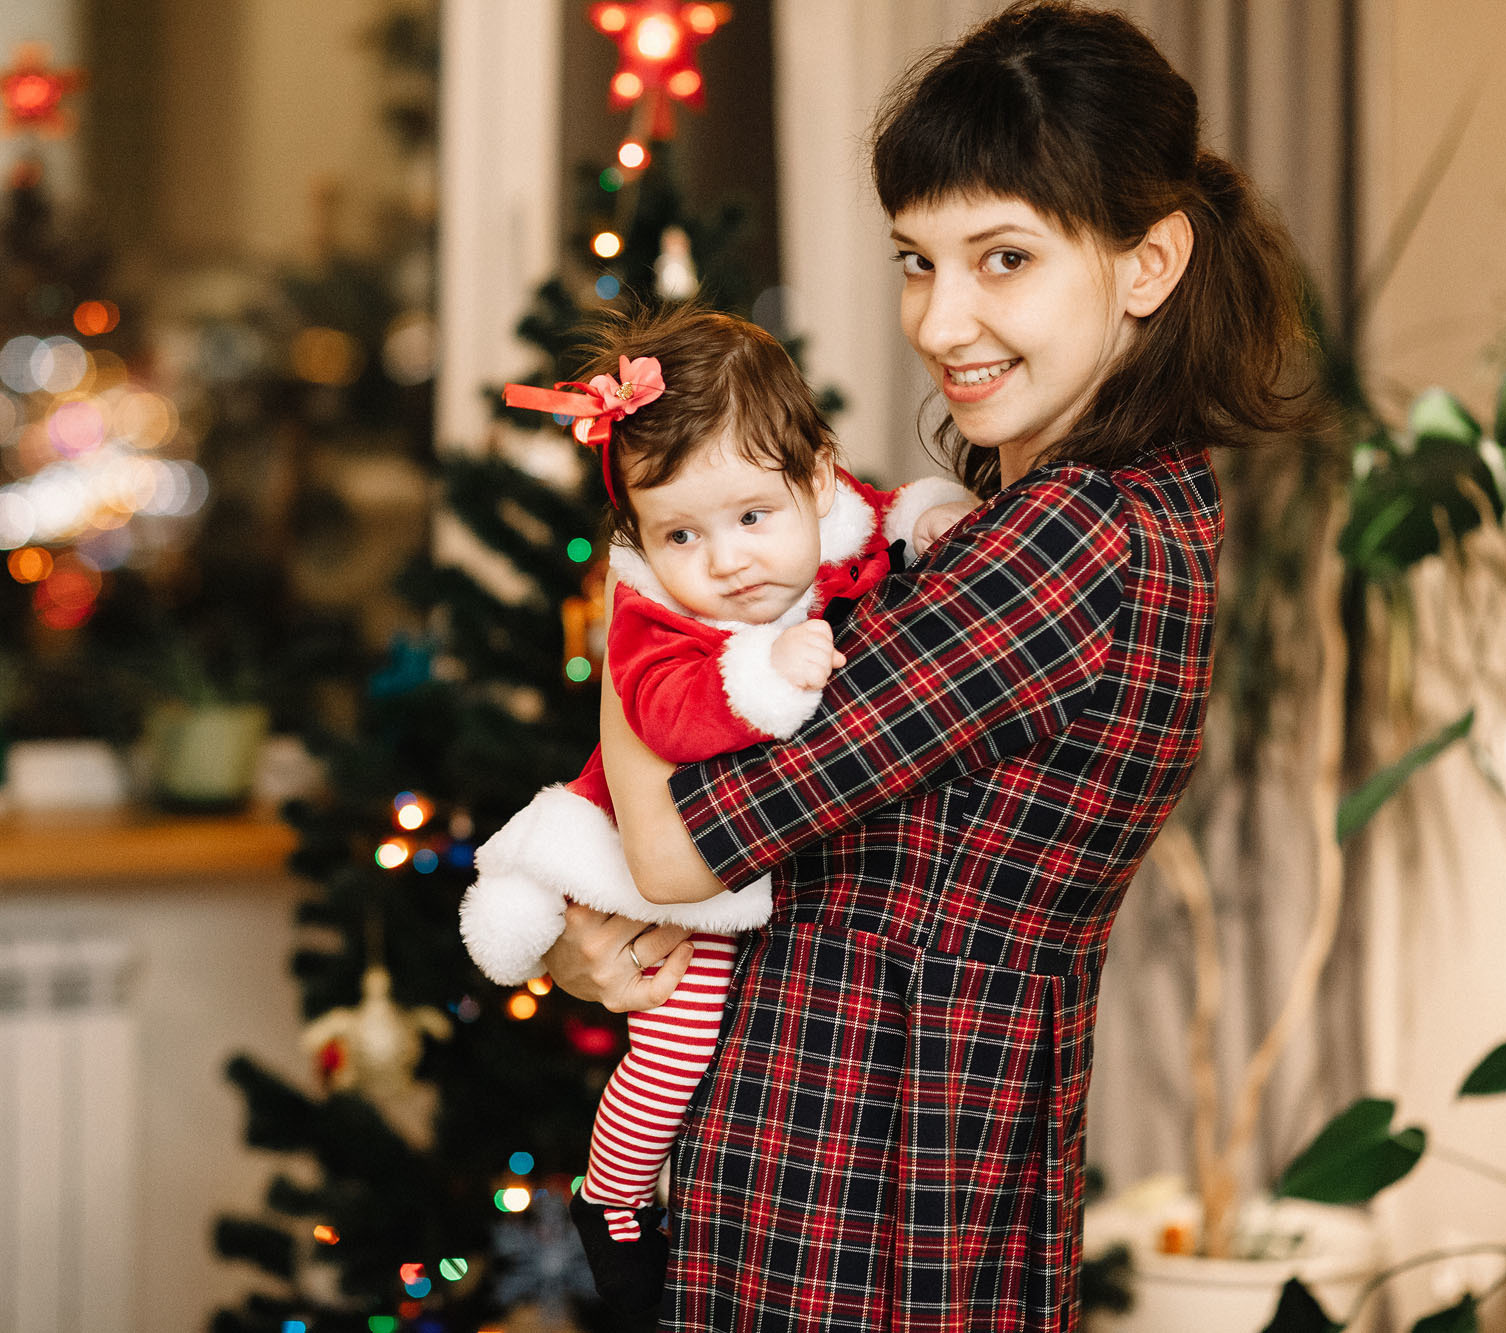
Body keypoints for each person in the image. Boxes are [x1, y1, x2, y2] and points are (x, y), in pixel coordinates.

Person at [541, 3, 1320, 1329]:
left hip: (860, 1193)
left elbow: (680, 852)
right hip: (909, 1161)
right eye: (917, 260)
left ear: (1148, 264)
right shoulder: (1093, 514)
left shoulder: (1071, 544)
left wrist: (633, 589)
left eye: (1003, 258)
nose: (942, 319)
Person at [462, 303, 974, 1316]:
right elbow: (666, 712)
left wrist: (925, 515)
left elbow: (881, 515)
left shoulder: (833, 520)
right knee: (677, 1035)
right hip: (654, 860)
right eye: (681, 533)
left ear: (815, 480)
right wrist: (762, 669)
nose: (728, 559)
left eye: (751, 516)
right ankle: (611, 1197)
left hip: (757, 877)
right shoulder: (657, 608)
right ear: (641, 536)